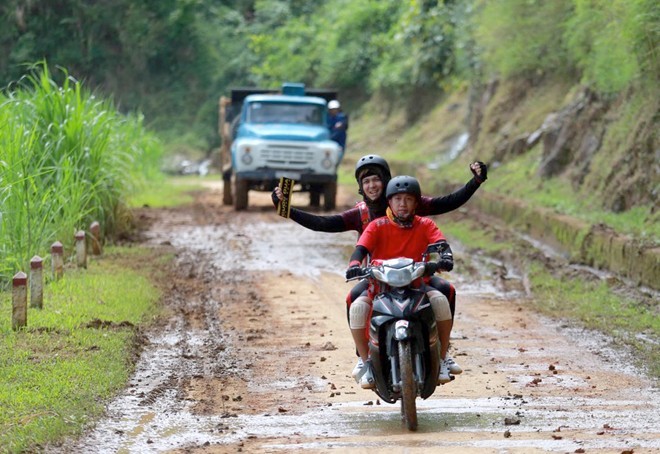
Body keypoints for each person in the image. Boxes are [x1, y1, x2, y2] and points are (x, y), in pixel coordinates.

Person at [272, 155, 487, 379]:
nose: (372, 186)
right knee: (353, 299)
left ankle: (443, 353)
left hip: (415, 275)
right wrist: (288, 210)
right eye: (366, 182)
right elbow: (324, 224)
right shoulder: (363, 216)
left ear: (388, 183)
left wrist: (475, 182)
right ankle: (363, 357)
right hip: (378, 276)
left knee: (446, 291)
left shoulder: (406, 202)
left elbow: (447, 202)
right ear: (360, 187)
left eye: (376, 180)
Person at [345, 176, 456, 388]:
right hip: (380, 287)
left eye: (408, 199)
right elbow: (360, 249)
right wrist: (354, 265)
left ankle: (442, 359)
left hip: (418, 286)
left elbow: (441, 244)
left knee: (441, 300)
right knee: (357, 308)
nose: (402, 204)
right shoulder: (377, 225)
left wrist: (445, 258)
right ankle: (365, 361)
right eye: (397, 199)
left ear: (416, 203)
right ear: (389, 202)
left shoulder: (425, 224)